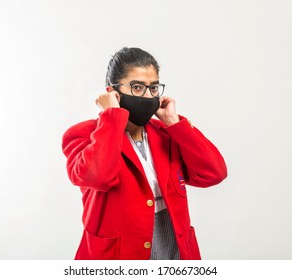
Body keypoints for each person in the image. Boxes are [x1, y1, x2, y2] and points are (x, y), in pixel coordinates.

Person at [62, 47, 227, 260]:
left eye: (153, 88)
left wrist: (174, 124)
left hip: (174, 252)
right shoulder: (84, 135)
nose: (148, 96)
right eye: (137, 87)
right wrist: (111, 116)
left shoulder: (166, 134)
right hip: (119, 258)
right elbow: (98, 176)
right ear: (112, 92)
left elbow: (214, 173)